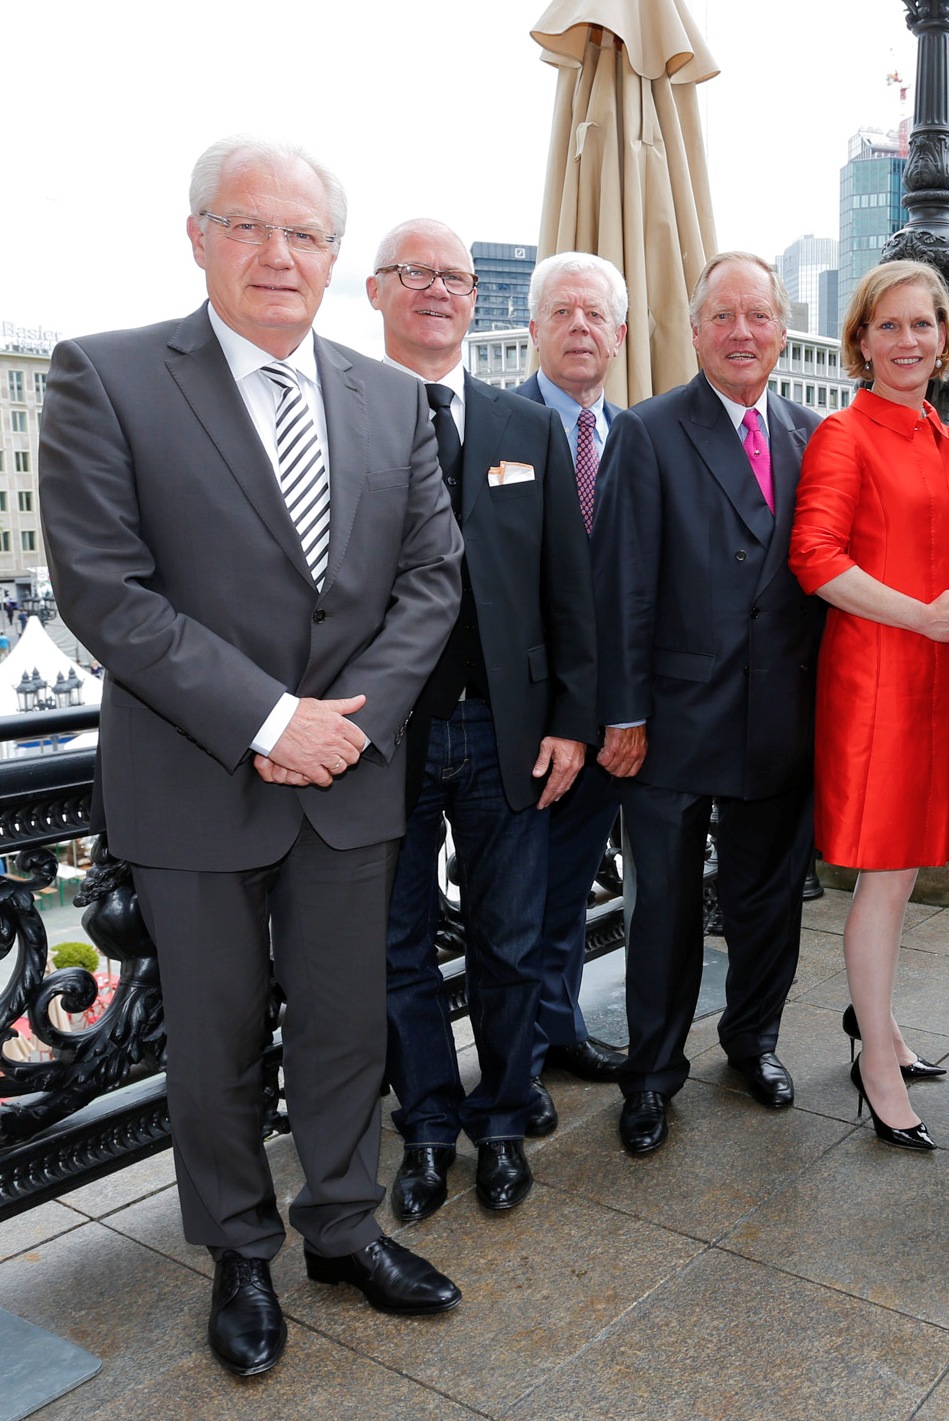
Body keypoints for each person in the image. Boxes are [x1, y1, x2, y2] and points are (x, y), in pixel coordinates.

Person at [38, 137, 465, 1379]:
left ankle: (340, 1225)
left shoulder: (391, 397)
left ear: (338, 257)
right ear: (198, 237)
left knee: (346, 1026)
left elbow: (432, 580)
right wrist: (275, 720)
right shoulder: (107, 376)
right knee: (213, 1042)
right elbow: (105, 591)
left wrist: (350, 721)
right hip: (194, 778)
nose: (280, 255)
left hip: (353, 779)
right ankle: (237, 1253)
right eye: (249, 226)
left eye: (306, 235)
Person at [369, 221, 595, 1224]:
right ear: (376, 291)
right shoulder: (338, 416)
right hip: (380, 742)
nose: (435, 291)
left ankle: (501, 1122)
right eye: (414, 274)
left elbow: (567, 591)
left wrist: (572, 720)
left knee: (511, 941)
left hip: (509, 735)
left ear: (477, 300)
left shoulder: (524, 427)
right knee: (396, 948)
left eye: (453, 277)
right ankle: (425, 1127)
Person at [593, 251, 823, 1155]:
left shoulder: (814, 432)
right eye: (722, 317)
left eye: (758, 316)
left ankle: (752, 1042)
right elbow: (622, 586)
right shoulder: (648, 432)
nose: (741, 333)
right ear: (694, 332)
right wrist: (623, 713)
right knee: (663, 911)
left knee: (771, 901)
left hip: (781, 718)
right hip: (672, 722)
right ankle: (651, 1072)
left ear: (780, 327)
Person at [789, 261, 949, 1150]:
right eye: (890, 326)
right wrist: (922, 615)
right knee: (882, 872)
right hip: (876, 675)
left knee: (903, 869)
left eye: (925, 324)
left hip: (940, 677)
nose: (910, 342)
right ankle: (875, 1058)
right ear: (861, 341)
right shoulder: (844, 434)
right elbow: (815, 557)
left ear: (945, 336)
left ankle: (882, 1024)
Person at [519, 251, 630, 1097]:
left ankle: (559, 1029)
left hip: (607, 724)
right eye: (562, 313)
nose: (580, 328)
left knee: (565, 896)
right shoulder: (494, 426)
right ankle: (512, 1056)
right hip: (519, 720)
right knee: (511, 898)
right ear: (533, 331)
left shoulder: (640, 439)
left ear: (620, 336)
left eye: (595, 315)